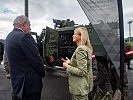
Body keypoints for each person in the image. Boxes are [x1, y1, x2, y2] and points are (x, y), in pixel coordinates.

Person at [4, 15, 45, 100]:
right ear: (25, 24)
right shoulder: (25, 37)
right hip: (29, 86)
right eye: (29, 27)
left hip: (17, 85)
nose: (29, 30)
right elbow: (36, 60)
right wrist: (42, 73)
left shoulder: (8, 37)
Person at [62, 27, 93, 100]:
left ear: (81, 36)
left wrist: (67, 66)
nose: (73, 36)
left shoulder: (80, 49)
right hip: (83, 87)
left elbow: (82, 71)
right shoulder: (86, 48)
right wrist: (70, 62)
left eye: (75, 34)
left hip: (79, 88)